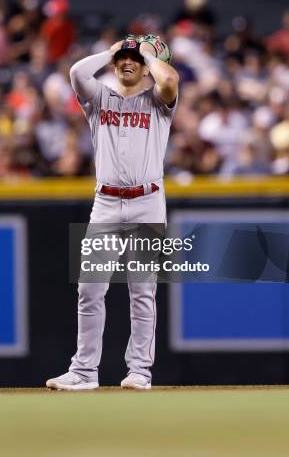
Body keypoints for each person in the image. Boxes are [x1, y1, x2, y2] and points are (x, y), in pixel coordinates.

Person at [46, 34, 179, 391]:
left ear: (147, 65)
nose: (127, 62)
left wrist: (146, 54)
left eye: (134, 59)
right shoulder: (99, 97)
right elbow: (76, 72)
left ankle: (139, 371)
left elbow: (168, 80)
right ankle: (85, 371)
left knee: (142, 291)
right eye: (123, 58)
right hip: (105, 201)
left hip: (147, 199)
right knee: (89, 289)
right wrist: (111, 51)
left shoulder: (158, 99)